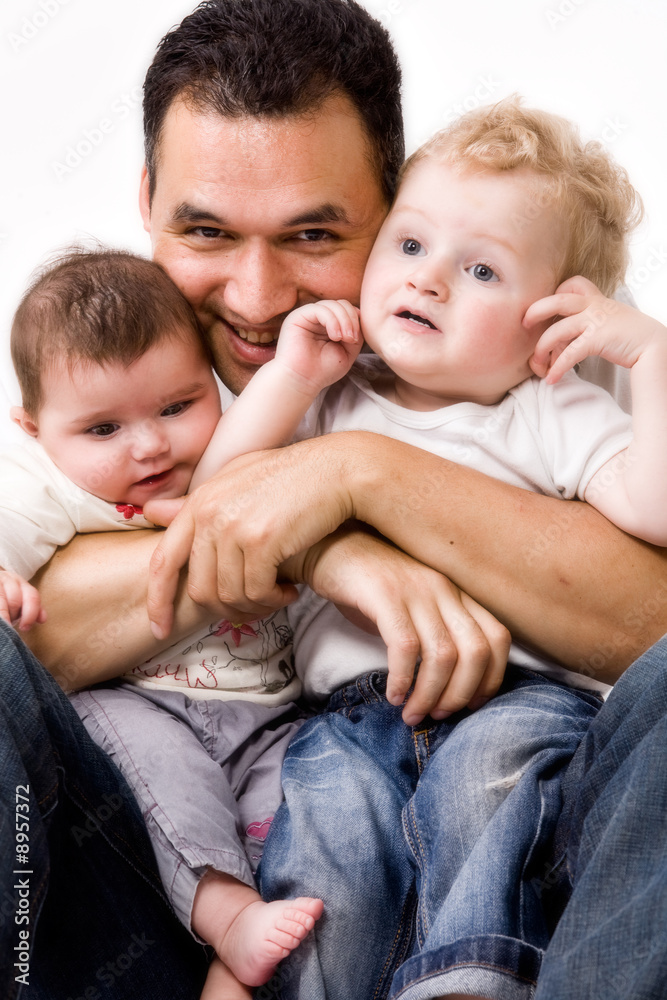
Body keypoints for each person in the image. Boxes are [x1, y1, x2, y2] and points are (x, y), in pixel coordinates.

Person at [2, 1, 666, 998]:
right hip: (186, 893)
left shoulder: (516, 357)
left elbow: (648, 621)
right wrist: (319, 547)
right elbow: (35, 640)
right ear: (145, 200)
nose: (260, 295)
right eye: (206, 230)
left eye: (314, 233)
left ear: (393, 204)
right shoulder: (98, 376)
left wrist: (362, 473)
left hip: (517, 877)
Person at [162, 96, 661, 999]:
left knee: (486, 795)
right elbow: (218, 501)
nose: (427, 280)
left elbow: (654, 511)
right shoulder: (331, 388)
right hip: (350, 715)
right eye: (409, 245)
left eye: (478, 269)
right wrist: (288, 379)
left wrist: (654, 358)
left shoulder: (552, 407)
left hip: (521, 702)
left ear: (548, 325)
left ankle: (469, 979)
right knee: (327, 824)